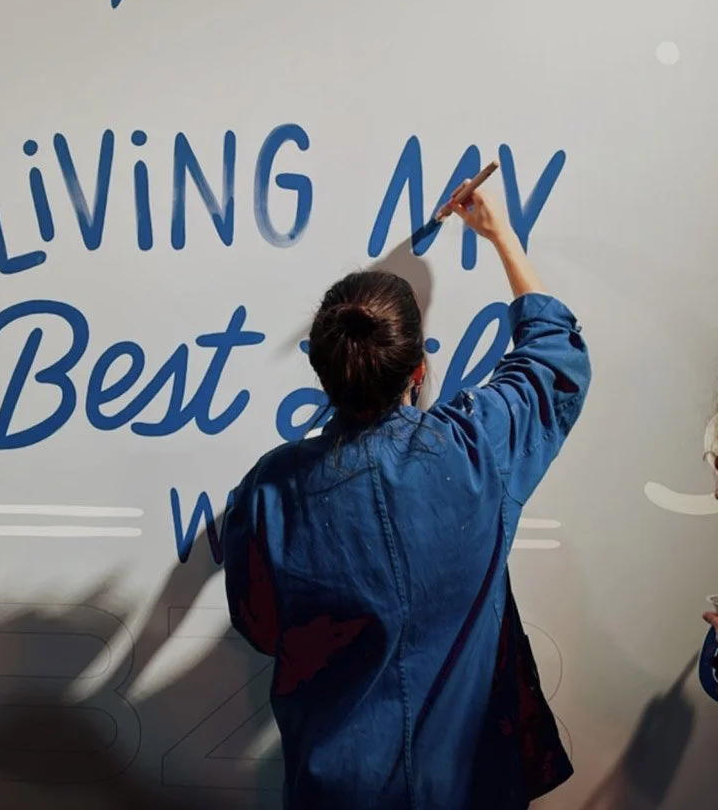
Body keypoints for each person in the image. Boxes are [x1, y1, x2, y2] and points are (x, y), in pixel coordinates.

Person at [222, 186, 592, 810]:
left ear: (324, 374)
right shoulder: (475, 450)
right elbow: (554, 359)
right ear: (418, 370)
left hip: (334, 793)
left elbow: (261, 627)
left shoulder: (269, 491)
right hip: (470, 789)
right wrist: (501, 236)